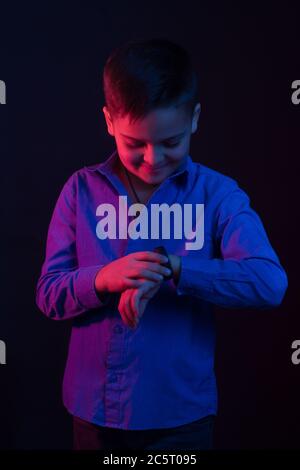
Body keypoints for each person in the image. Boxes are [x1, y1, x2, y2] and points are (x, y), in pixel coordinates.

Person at [35, 37, 288, 451]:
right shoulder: (79, 190)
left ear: (195, 119)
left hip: (180, 418)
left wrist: (175, 267)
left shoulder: (219, 195)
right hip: (92, 413)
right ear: (109, 122)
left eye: (171, 142)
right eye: (135, 143)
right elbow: (48, 294)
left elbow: (269, 282)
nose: (153, 159)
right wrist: (104, 278)